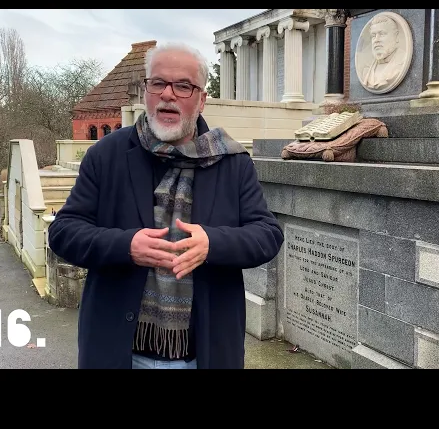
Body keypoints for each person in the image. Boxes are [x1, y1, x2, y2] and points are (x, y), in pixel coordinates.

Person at [48, 41, 284, 369]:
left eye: (183, 86)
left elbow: (268, 235)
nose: (168, 94)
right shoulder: (106, 155)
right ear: (146, 92)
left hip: (206, 354)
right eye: (158, 83)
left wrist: (212, 244)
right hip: (118, 353)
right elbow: (63, 232)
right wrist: (126, 246)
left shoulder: (233, 162)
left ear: (201, 100)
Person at [359, 13, 404, 92]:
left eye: (382, 34)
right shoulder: (366, 71)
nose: (376, 40)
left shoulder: (402, 62)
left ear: (396, 36)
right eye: (373, 35)